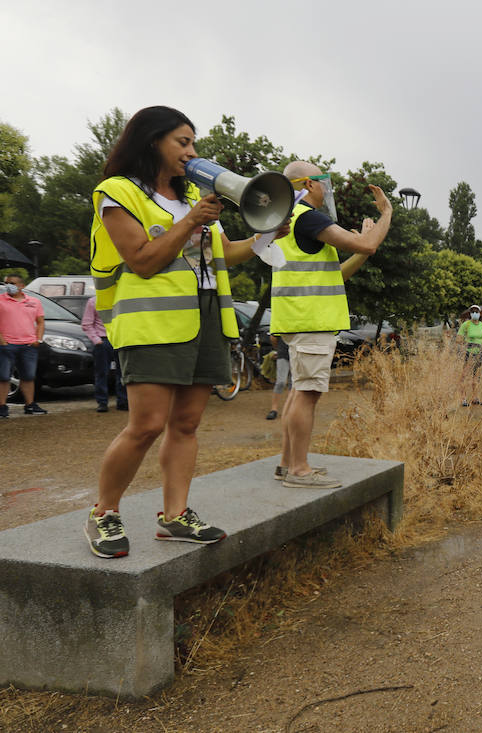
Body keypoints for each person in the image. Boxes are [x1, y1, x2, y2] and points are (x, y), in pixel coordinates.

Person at [86, 106, 273, 557]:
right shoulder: (117, 192)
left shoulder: (192, 194)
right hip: (152, 319)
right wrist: (191, 221)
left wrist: (268, 234)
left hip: (205, 315)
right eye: (182, 142)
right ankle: (103, 514)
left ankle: (174, 515)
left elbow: (224, 252)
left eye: (193, 143)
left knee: (186, 424)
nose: (192, 152)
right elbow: (143, 260)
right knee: (146, 424)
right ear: (153, 141)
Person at [272, 160, 390, 489]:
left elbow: (335, 274)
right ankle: (299, 469)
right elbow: (368, 243)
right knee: (307, 393)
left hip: (299, 319)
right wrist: (387, 214)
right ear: (309, 185)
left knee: (299, 391)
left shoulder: (290, 220)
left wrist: (364, 249)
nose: (328, 190)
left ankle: (286, 464)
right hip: (311, 319)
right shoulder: (308, 217)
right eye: (325, 182)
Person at [0, 274, 46, 417]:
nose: (8, 285)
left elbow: (40, 321)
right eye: (6, 283)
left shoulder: (34, 301)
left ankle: (30, 405)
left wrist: (38, 339)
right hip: (7, 345)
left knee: (28, 376)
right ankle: (2, 406)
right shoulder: (1, 301)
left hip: (28, 345)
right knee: (3, 377)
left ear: (22, 285)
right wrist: (2, 340)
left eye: (12, 283)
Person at [78, 294, 128, 413]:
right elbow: (87, 324)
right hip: (103, 340)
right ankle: (102, 402)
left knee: (123, 372)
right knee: (102, 373)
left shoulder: (122, 300)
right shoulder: (94, 301)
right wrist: (97, 340)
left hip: (120, 340)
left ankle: (123, 401)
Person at [457, 305, 482, 407]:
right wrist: (467, 344)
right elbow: (459, 339)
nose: (475, 313)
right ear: (470, 313)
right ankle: (463, 398)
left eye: (476, 311)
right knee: (465, 375)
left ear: (480, 313)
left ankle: (475, 397)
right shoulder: (466, 324)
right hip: (469, 353)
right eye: (472, 311)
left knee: (476, 376)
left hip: (480, 353)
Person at [265, 334, 289, 420]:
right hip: (283, 352)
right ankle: (274, 409)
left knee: (294, 384)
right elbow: (273, 337)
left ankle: (292, 408)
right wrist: (278, 349)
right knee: (280, 382)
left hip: (297, 352)